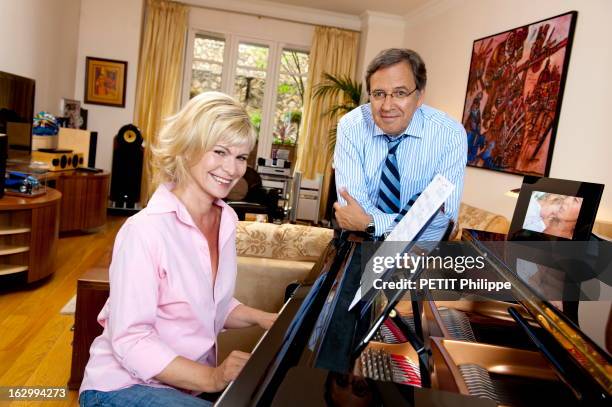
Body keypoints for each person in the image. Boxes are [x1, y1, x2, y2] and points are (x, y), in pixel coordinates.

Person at [79, 92, 277, 406]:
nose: (232, 168)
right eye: (220, 152)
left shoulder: (225, 218)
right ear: (186, 148)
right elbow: (132, 339)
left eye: (241, 157)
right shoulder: (144, 231)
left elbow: (207, 303)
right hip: (120, 387)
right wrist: (213, 377)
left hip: (188, 387)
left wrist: (267, 318)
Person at [333, 48, 467, 240]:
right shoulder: (351, 126)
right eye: (379, 94)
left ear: (419, 96)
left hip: (418, 254)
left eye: (400, 93)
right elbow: (352, 209)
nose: (387, 106)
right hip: (359, 243)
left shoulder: (450, 135)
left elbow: (441, 223)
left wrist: (369, 223)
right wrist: (411, 223)